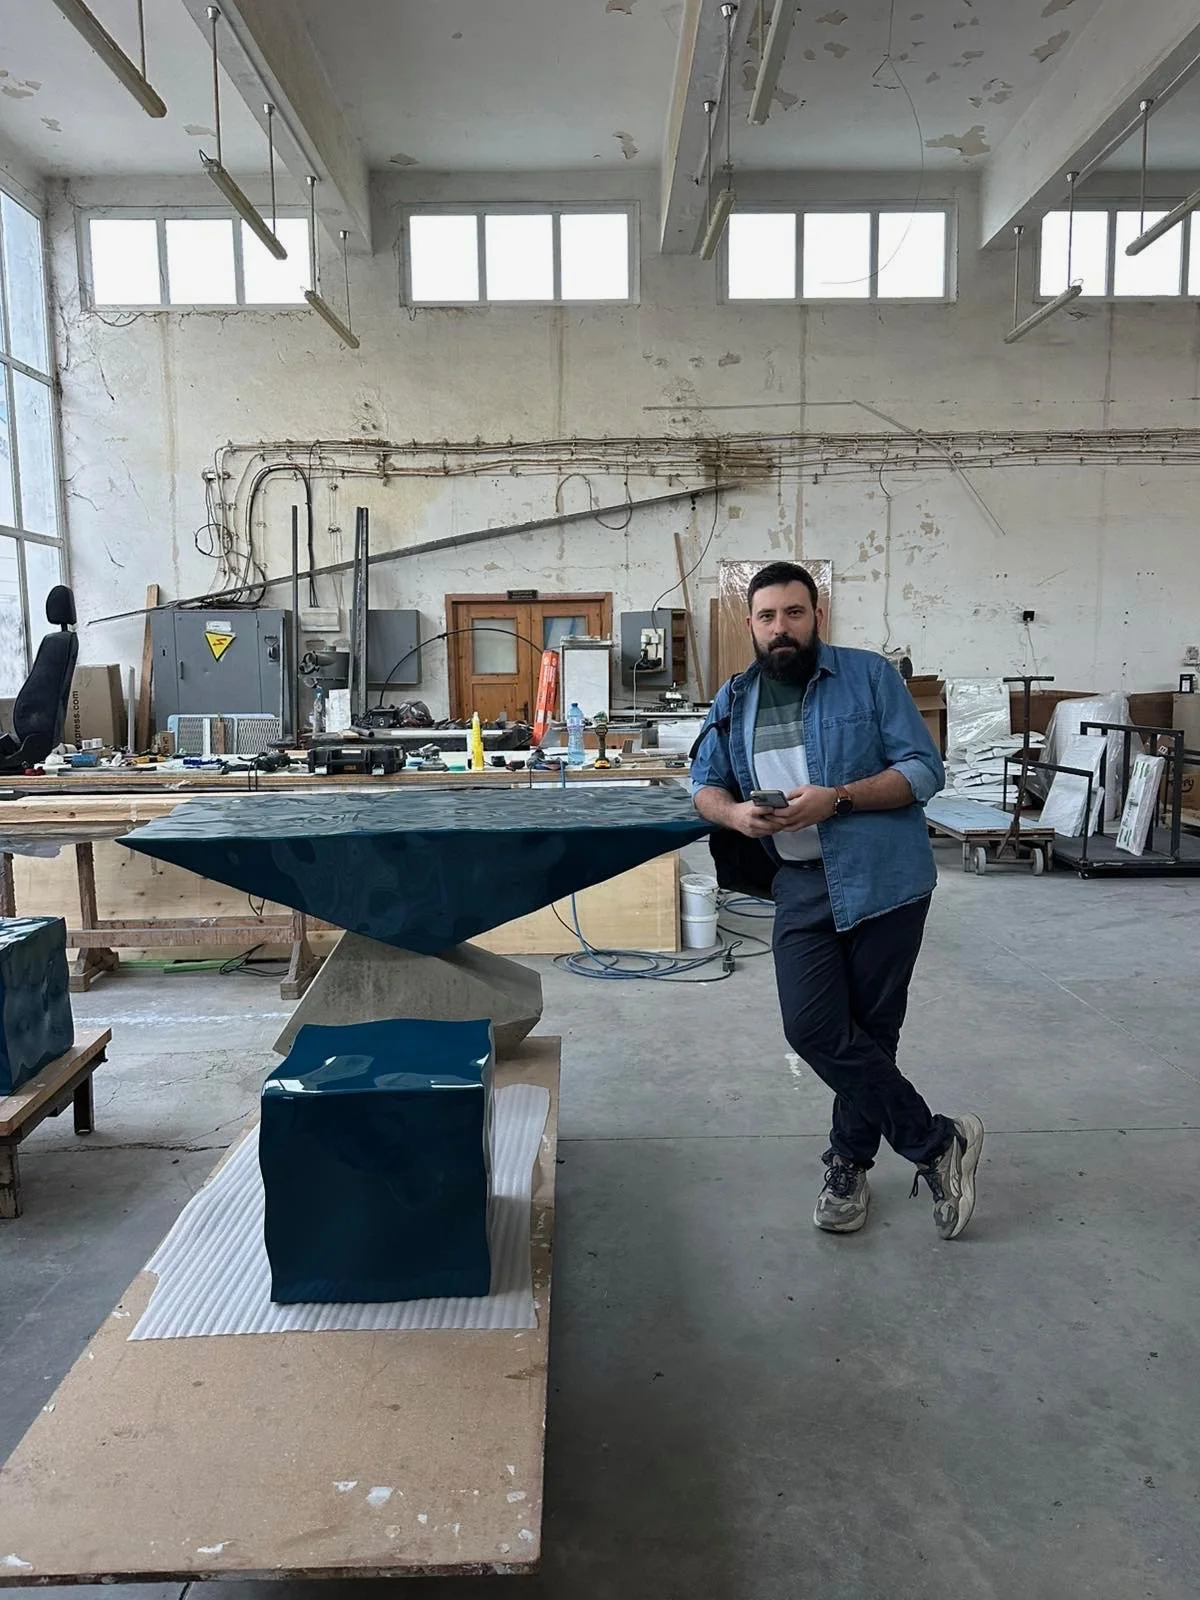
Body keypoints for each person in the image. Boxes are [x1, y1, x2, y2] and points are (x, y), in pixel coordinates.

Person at [690, 560, 984, 1240]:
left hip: (884, 880)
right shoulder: (736, 698)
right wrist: (734, 817)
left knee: (872, 1035)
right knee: (814, 1028)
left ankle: (848, 1166)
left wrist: (839, 797)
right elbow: (703, 782)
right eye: (767, 616)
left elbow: (923, 770)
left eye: (794, 612)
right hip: (799, 884)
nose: (780, 627)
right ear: (751, 626)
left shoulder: (869, 676)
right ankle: (938, 1144)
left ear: (815, 616)